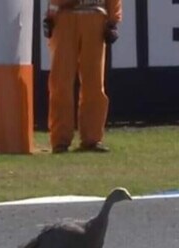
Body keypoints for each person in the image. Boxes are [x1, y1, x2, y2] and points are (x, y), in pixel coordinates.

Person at [45, 0, 122, 153]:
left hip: (94, 15)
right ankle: (60, 140)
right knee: (61, 82)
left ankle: (92, 139)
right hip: (65, 15)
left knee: (93, 83)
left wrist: (113, 20)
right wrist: (50, 16)